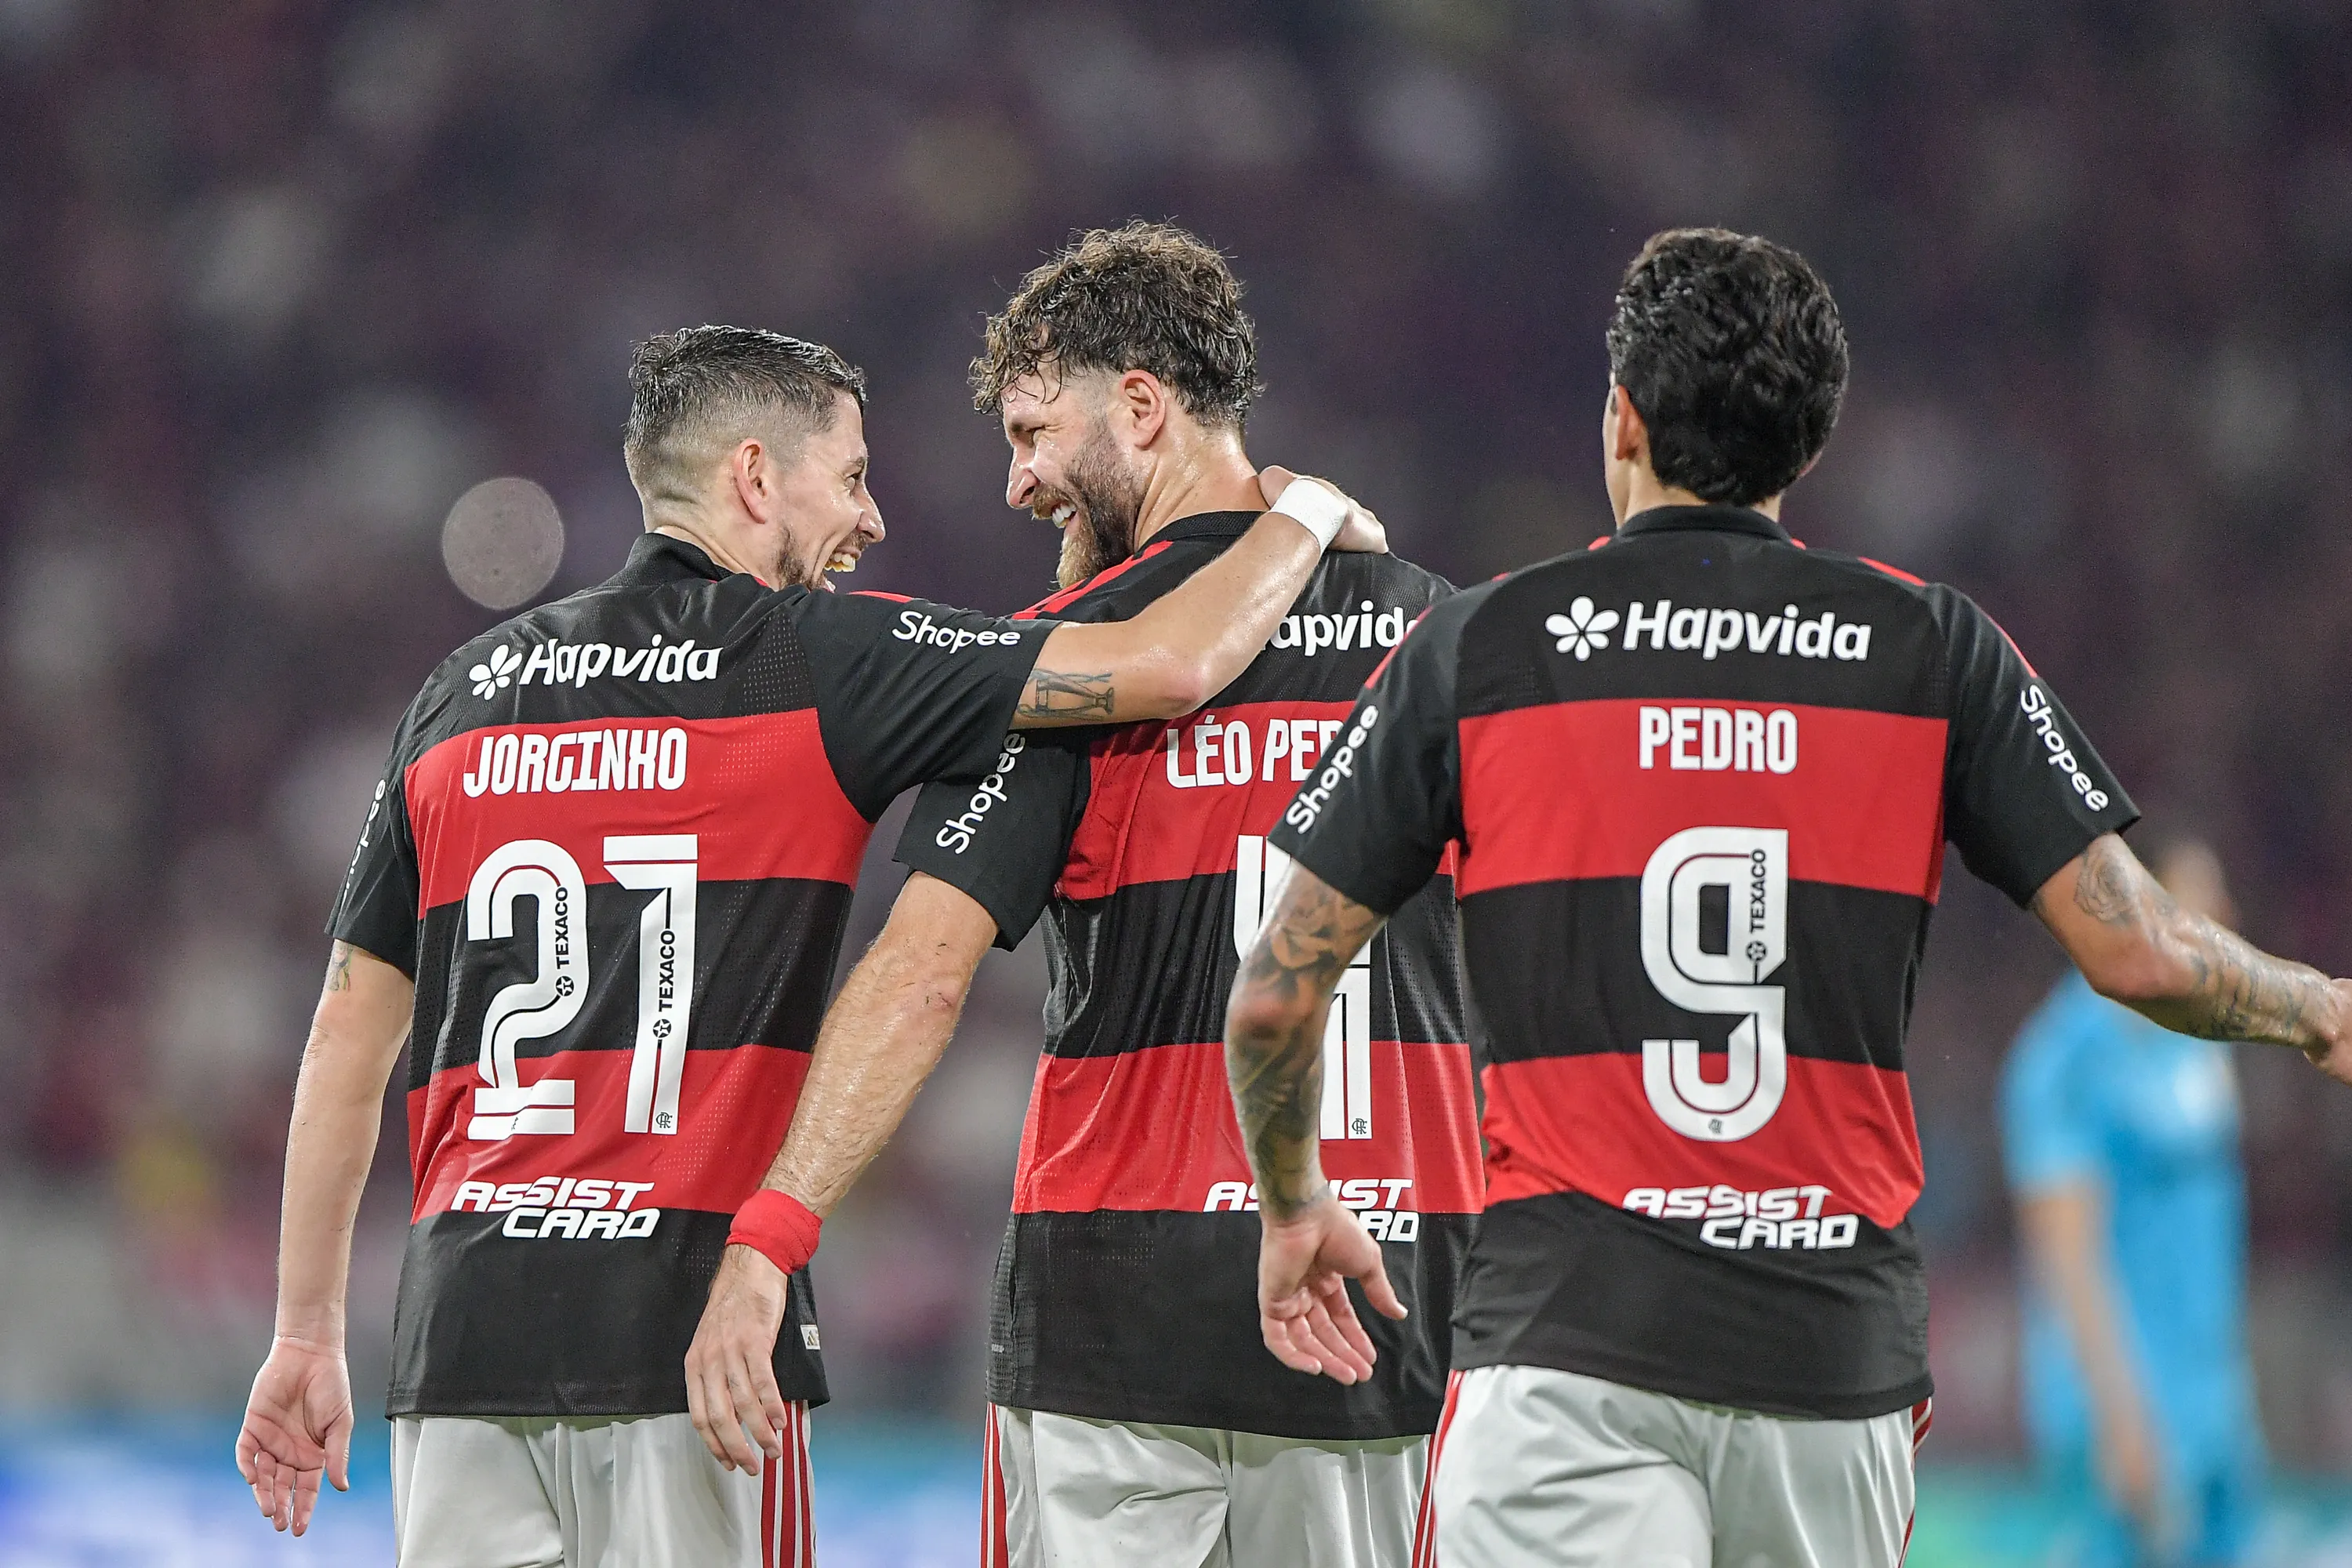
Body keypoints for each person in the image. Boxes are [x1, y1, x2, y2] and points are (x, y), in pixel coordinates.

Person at [1220, 227, 2352, 1568]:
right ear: (1807, 450)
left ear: (1623, 417)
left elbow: (1279, 991)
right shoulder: (1930, 646)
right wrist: (2325, 1013)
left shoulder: (1483, 645)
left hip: (1572, 1351)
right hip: (1830, 1363)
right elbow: (2145, 951)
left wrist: (1293, 1202)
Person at [231, 322, 1385, 1566]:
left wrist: (305, 1334)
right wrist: (1304, 517)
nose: (872, 518)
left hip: (458, 1346)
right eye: (849, 477)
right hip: (695, 1337)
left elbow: (349, 1029)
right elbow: (1170, 662)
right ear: (753, 479)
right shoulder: (820, 657)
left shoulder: (462, 689)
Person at [686, 223, 1480, 1568]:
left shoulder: (1057, 667)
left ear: (1142, 406)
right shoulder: (1441, 636)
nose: (1018, 482)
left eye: (1035, 432)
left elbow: (923, 974)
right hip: (1386, 1305)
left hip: (1115, 1325)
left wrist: (774, 1226)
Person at [2003, 835, 2265, 1567]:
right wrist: (2121, 1418)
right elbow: (2068, 1260)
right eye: (2200, 902)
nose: (2224, 918)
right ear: (2143, 910)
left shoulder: (2203, 1043)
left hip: (2214, 1402)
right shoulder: (2063, 1059)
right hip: (2124, 1410)